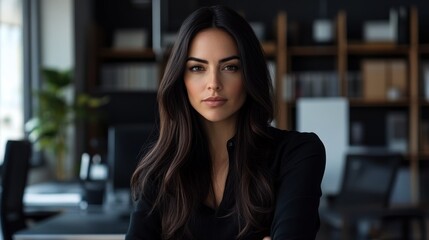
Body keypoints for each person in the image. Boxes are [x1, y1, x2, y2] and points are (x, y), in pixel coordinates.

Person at [126, 5, 325, 240]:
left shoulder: (297, 154)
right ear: (182, 79)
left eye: (230, 67)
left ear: (249, 74)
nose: (213, 83)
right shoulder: (160, 171)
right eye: (197, 68)